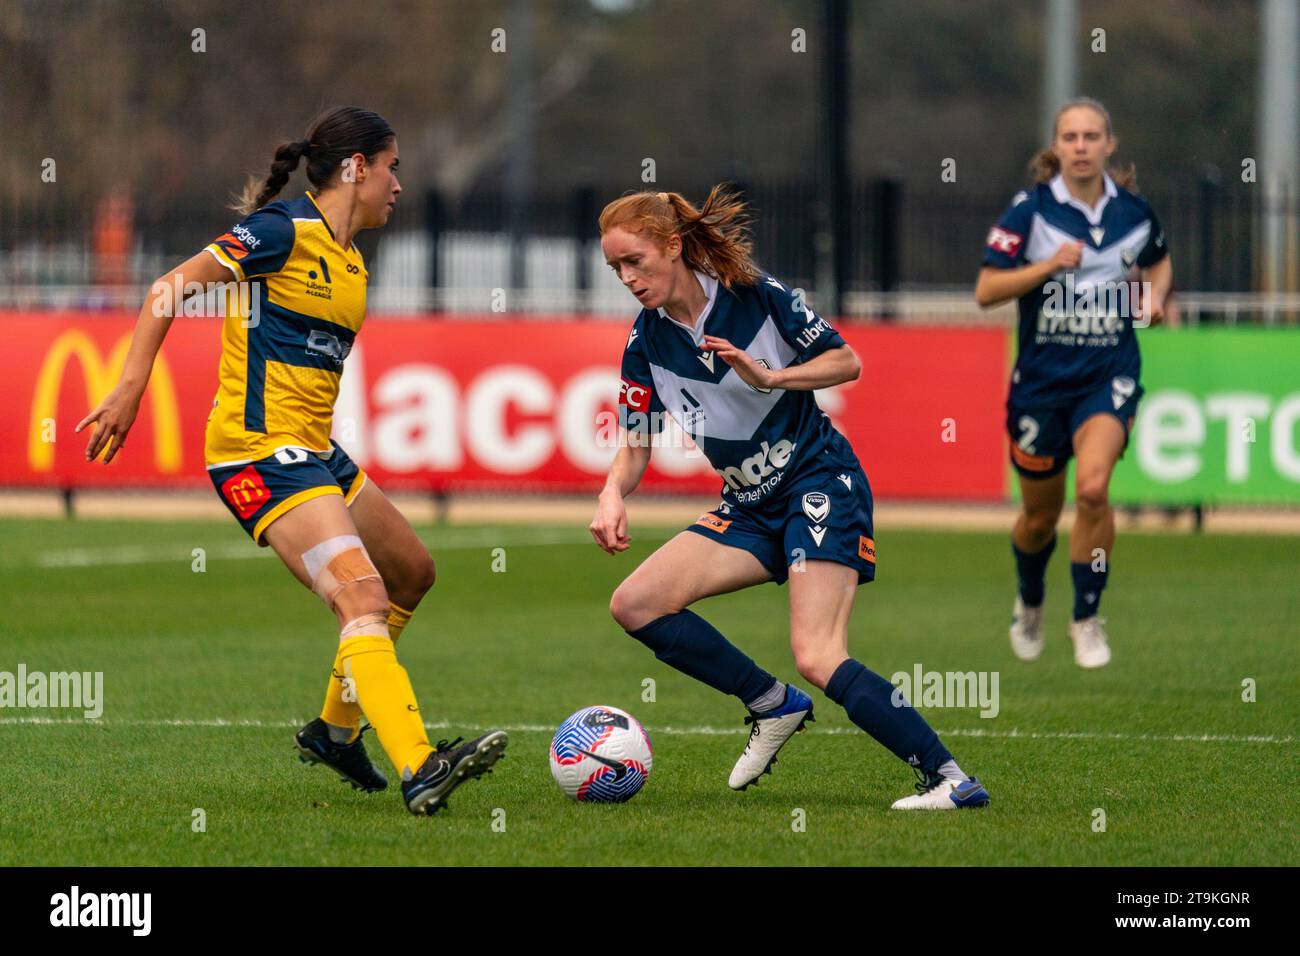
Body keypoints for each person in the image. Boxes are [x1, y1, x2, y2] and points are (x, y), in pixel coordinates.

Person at [77, 105, 506, 816]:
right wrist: (129, 388)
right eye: (393, 167)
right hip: (256, 452)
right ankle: (420, 765)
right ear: (357, 168)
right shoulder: (281, 231)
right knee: (362, 597)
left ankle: (335, 732)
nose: (399, 185)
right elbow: (167, 289)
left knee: (411, 572)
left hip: (313, 452)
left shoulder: (350, 262)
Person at [590, 186, 989, 810]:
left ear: (672, 245)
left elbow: (845, 361)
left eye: (635, 260)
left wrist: (772, 376)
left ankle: (950, 779)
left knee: (818, 653)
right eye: (616, 268)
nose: (627, 278)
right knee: (635, 604)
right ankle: (770, 705)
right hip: (750, 504)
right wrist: (613, 491)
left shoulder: (755, 294)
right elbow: (635, 444)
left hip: (819, 481)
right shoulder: (645, 343)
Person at [976, 97, 1173, 669]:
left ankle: (1086, 616)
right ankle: (1031, 599)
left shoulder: (1134, 212)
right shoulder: (1029, 212)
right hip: (1040, 385)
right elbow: (987, 290)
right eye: (1071, 137)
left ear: (1110, 145)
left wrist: (1156, 298)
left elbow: (1158, 260)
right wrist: (1047, 267)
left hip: (1108, 374)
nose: (1082, 146)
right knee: (1039, 517)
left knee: (1093, 490)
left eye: (1092, 136)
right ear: (1056, 147)